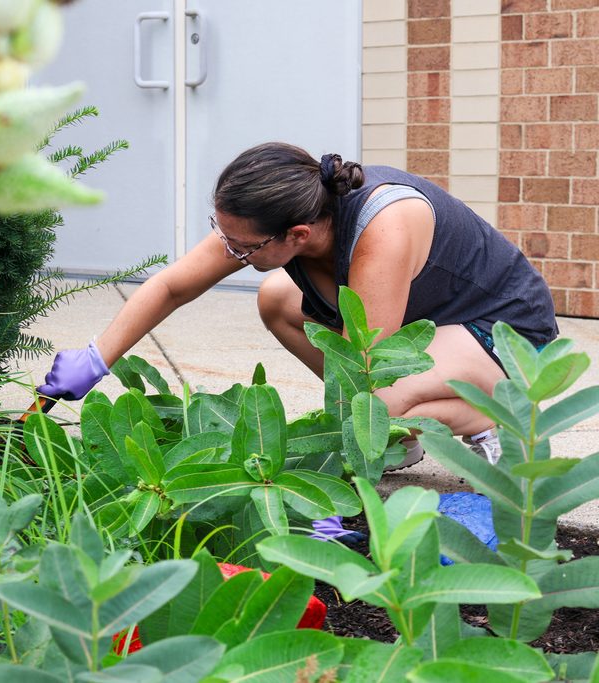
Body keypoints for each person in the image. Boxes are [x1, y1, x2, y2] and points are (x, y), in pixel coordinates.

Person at [37, 142, 559, 538]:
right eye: (223, 234)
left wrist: (326, 484)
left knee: (381, 399)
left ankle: (496, 421)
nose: (227, 251)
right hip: (431, 325)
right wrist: (97, 356)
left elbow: (369, 367)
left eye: (240, 246)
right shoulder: (276, 218)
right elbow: (175, 285)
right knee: (277, 299)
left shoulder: (384, 228)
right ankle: (398, 437)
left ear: (299, 236)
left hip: (503, 332)